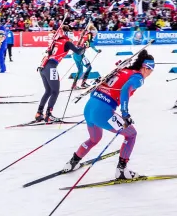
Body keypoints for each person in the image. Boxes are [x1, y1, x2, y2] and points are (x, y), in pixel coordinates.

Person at [60, 50, 155, 180]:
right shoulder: (138, 78)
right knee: (131, 134)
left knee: (94, 138)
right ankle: (121, 170)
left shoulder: (122, 70)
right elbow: (125, 89)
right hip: (103, 112)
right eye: (151, 70)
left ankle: (73, 162)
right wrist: (125, 113)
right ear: (145, 68)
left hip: (89, 107)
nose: (150, 73)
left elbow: (102, 83)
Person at [35, 25, 85, 123]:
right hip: (51, 67)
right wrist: (84, 46)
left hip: (43, 66)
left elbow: (49, 51)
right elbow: (78, 52)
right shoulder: (67, 42)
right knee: (55, 92)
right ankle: (48, 115)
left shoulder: (56, 41)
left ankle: (39, 113)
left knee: (48, 91)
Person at [72, 22, 98, 89]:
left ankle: (74, 85)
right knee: (89, 67)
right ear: (93, 33)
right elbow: (91, 44)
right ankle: (83, 83)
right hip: (80, 54)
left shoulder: (84, 35)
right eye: (95, 34)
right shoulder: (89, 36)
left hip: (75, 54)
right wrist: (97, 50)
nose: (95, 35)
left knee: (80, 70)